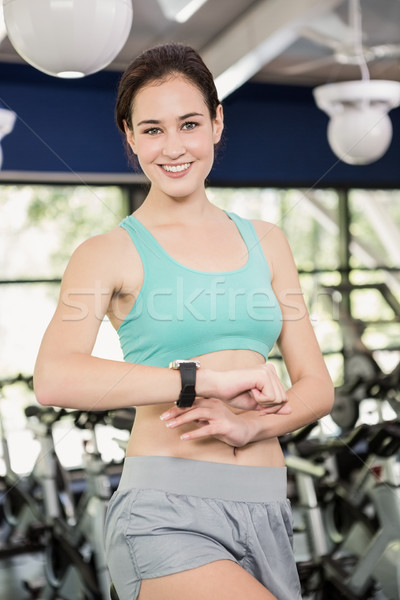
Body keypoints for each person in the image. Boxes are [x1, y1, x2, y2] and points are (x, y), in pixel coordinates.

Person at [34, 42, 334, 600]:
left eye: (189, 123)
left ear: (217, 124)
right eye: (152, 130)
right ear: (129, 136)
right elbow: (55, 377)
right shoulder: (106, 252)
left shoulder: (269, 242)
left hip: (268, 505)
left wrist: (255, 426)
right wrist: (202, 382)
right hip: (164, 510)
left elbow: (316, 384)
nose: (173, 147)